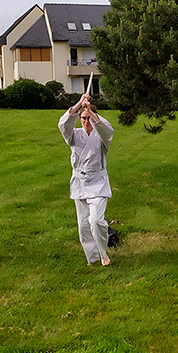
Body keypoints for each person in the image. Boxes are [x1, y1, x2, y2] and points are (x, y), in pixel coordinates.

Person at [58, 93, 114, 266]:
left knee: (95, 220)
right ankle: (92, 259)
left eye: (88, 118)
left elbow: (107, 129)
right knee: (83, 226)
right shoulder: (73, 136)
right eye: (82, 118)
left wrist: (91, 112)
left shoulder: (102, 137)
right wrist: (79, 104)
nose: (85, 122)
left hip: (98, 183)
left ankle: (103, 252)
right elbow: (63, 124)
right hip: (80, 183)